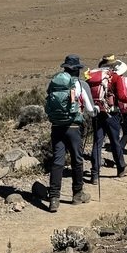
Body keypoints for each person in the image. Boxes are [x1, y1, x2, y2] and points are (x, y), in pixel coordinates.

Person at [45, 54, 95, 212]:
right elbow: (89, 109)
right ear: (77, 70)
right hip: (73, 127)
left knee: (58, 161)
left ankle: (53, 198)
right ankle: (77, 194)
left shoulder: (54, 84)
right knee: (77, 160)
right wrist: (95, 111)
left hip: (57, 126)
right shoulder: (79, 85)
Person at [85, 54, 127, 181]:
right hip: (111, 113)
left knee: (97, 142)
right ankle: (121, 167)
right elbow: (122, 96)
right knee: (115, 140)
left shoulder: (91, 76)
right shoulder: (115, 77)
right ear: (113, 65)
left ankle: (94, 173)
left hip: (96, 112)